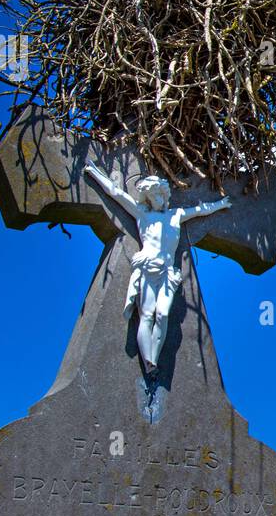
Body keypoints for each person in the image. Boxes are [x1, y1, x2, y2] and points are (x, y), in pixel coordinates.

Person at [82, 164, 232, 385]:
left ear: (165, 194)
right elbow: (115, 194)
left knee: (162, 314)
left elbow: (201, 210)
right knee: (147, 315)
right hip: (147, 267)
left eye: (160, 194)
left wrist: (221, 204)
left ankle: (153, 357)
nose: (158, 198)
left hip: (168, 272)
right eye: (153, 195)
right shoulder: (141, 213)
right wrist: (95, 173)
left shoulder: (176, 215)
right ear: (148, 197)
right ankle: (149, 361)